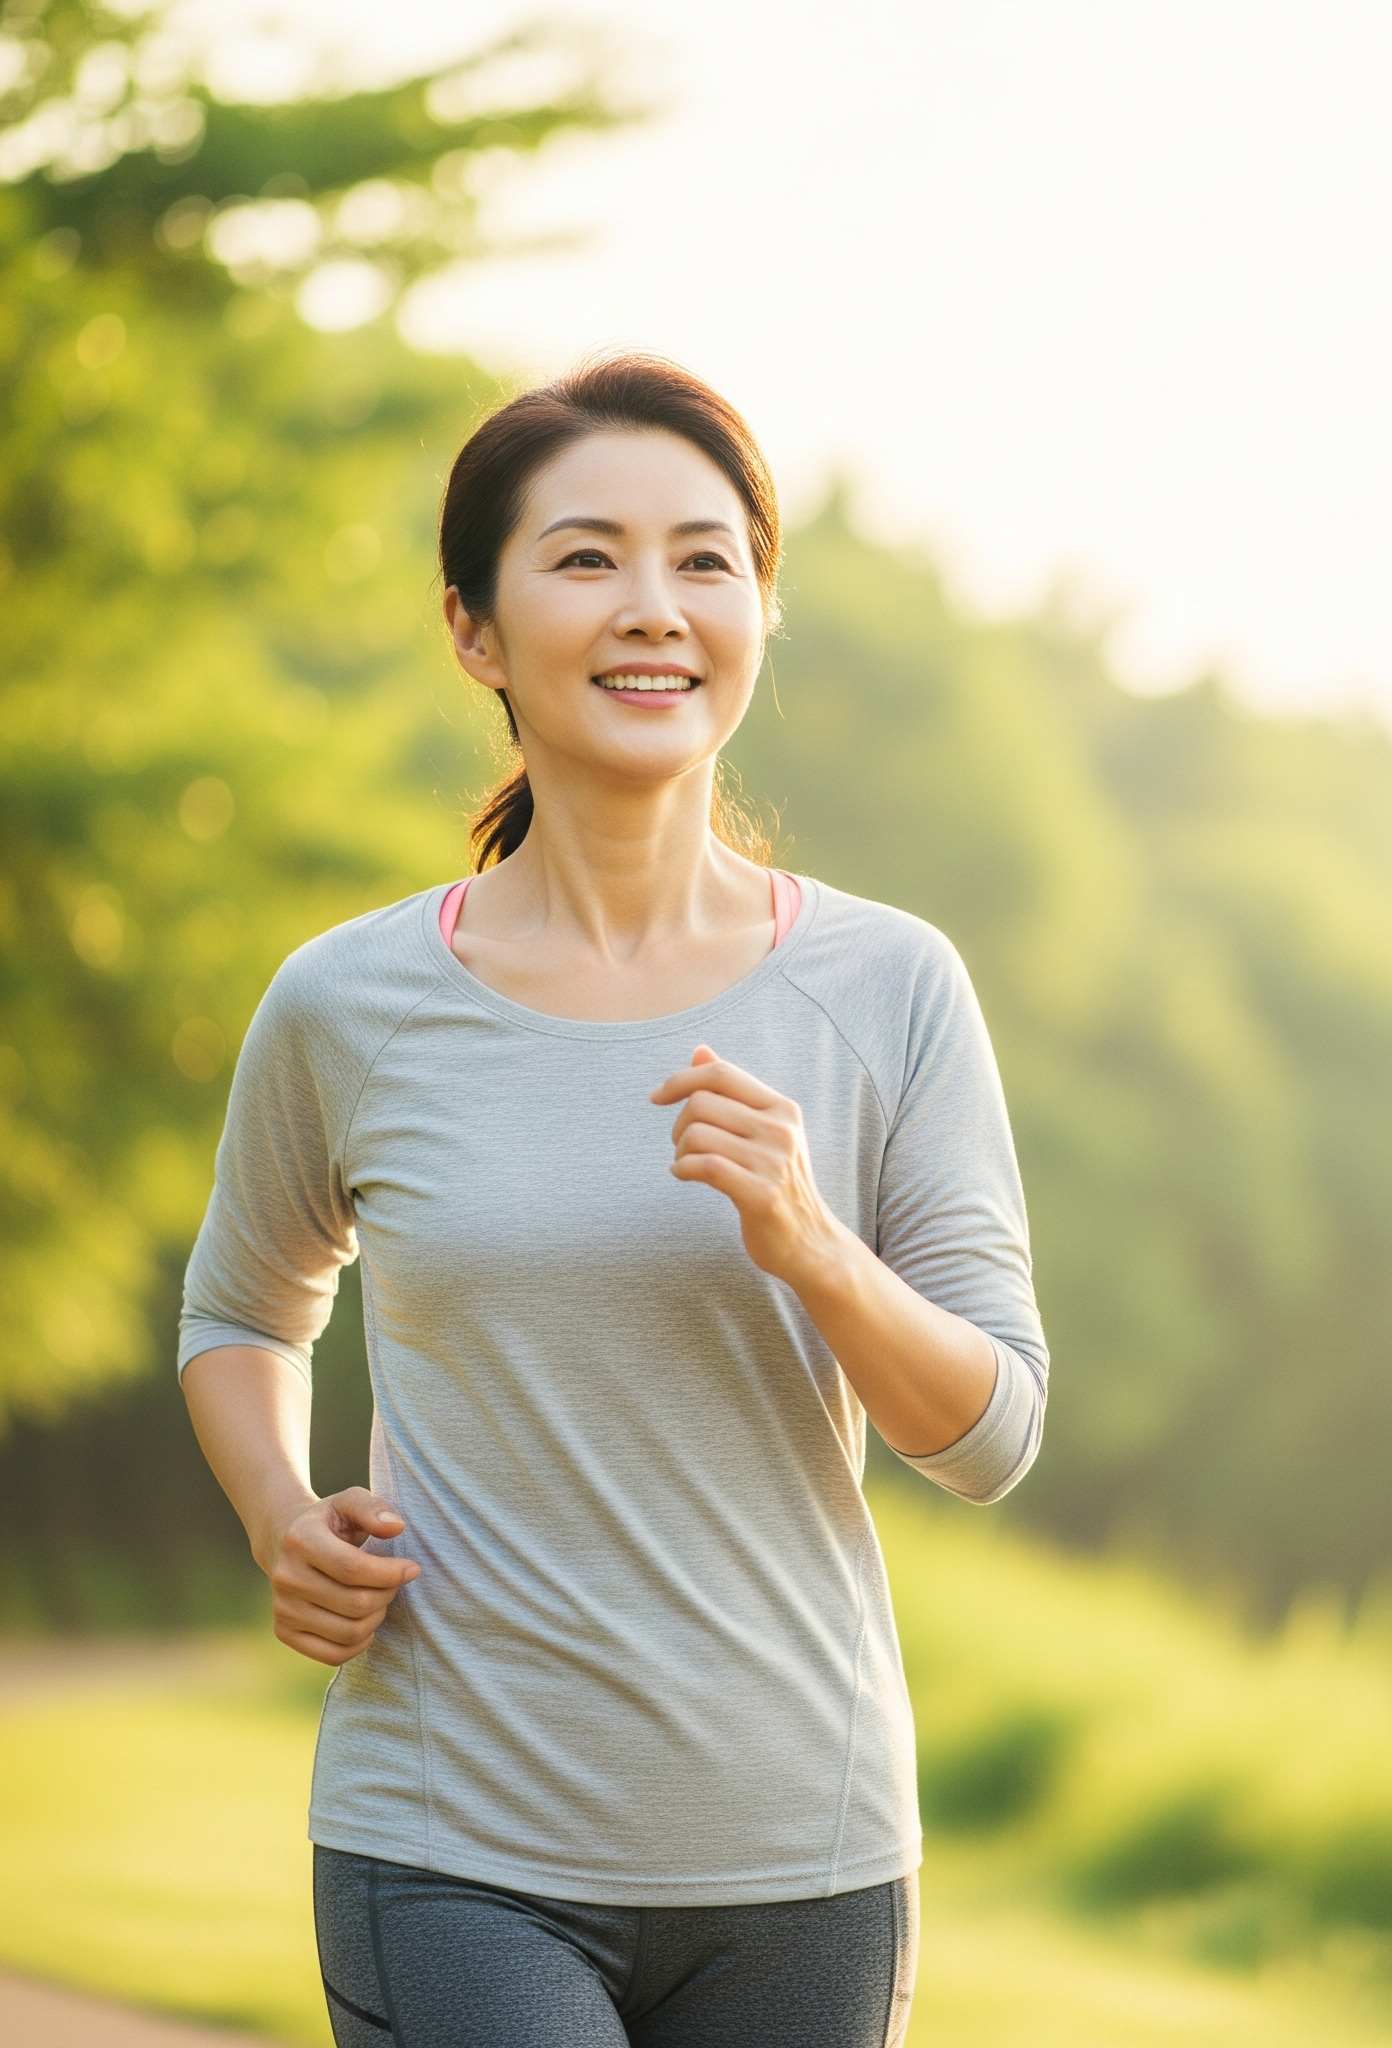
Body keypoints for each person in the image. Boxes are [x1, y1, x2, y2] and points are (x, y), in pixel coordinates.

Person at [178, 354, 1049, 2048]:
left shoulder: (892, 986)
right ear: (476, 631)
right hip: (451, 1842)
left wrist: (812, 1246)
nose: (652, 606)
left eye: (704, 559)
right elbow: (244, 1305)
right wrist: (280, 1508)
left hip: (806, 1853)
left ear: (760, 613)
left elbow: (992, 1432)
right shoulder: (350, 1003)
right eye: (585, 558)